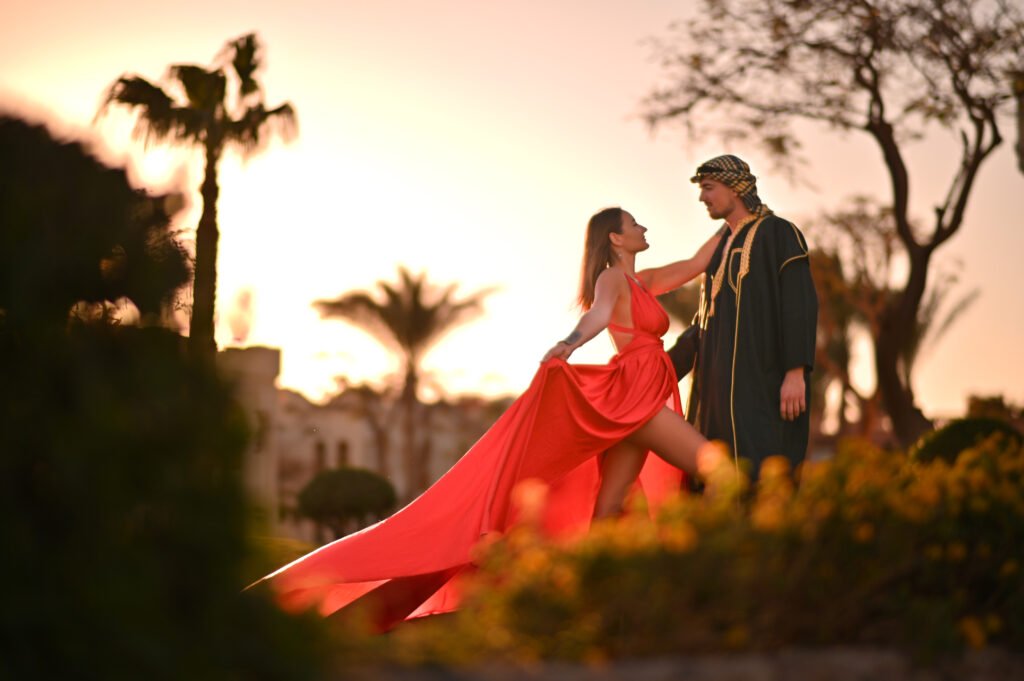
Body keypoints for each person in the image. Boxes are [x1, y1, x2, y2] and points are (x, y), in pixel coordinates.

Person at [252, 207, 721, 631]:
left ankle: (591, 596)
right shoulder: (612, 280)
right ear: (615, 238)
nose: (643, 227)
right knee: (715, 466)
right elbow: (598, 316)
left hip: (646, 389)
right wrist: (570, 343)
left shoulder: (644, 281)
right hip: (634, 396)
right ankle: (725, 564)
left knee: (610, 505)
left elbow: (698, 262)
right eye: (634, 224)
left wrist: (741, 218)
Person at [667, 155, 818, 479]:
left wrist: (795, 372)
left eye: (709, 187)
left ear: (734, 188)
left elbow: (799, 303)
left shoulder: (778, 233)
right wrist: (660, 369)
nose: (702, 197)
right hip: (715, 397)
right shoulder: (719, 248)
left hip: (764, 388)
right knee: (718, 482)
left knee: (763, 480)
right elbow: (703, 323)